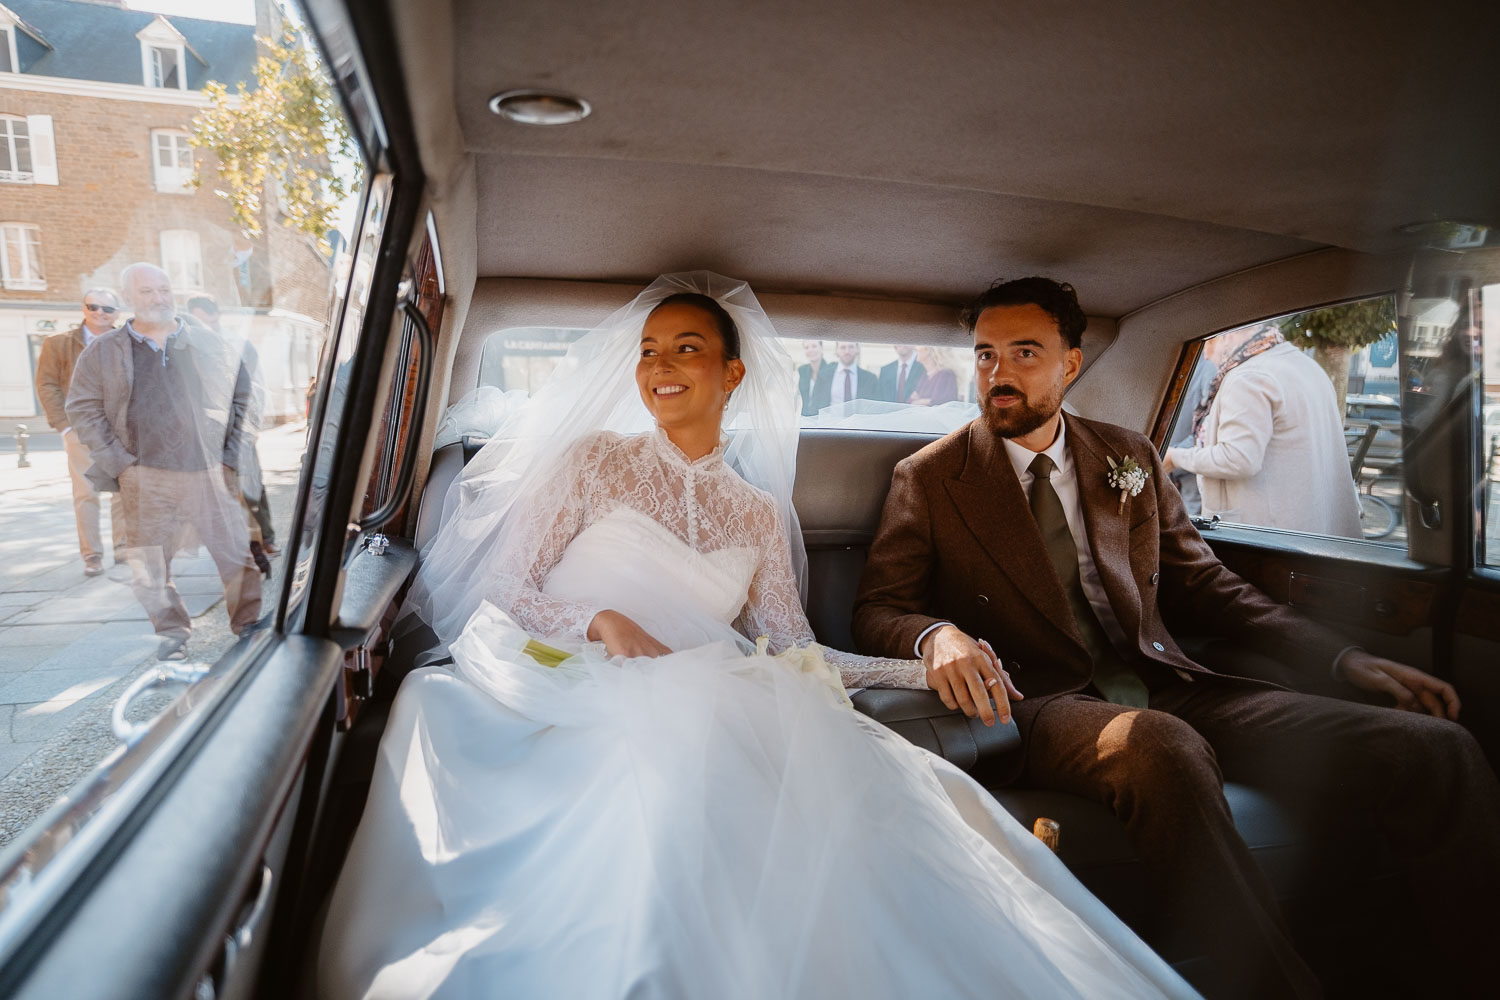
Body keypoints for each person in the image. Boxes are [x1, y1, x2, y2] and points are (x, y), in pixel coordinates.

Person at [318, 273, 1198, 1000]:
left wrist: (927, 656)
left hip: (706, 692)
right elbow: (502, 592)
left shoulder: (758, 512)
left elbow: (789, 647)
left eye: (687, 349)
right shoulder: (592, 461)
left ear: (733, 375)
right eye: (649, 352)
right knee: (659, 782)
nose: (661, 367)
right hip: (553, 679)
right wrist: (602, 623)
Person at [852, 275, 1500, 999]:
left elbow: (1209, 588)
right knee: (1155, 745)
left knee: (1435, 747)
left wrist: (1342, 657)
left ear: (1070, 363)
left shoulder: (1126, 455)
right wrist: (937, 634)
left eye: (1024, 354)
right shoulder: (931, 477)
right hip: (1039, 703)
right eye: (985, 357)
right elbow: (880, 607)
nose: (999, 375)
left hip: (1173, 684)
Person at [66, 263, 263, 660]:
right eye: (146, 292)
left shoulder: (208, 343)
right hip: (143, 475)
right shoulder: (104, 351)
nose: (158, 298)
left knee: (236, 554)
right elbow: (82, 408)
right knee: (150, 564)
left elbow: (246, 398)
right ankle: (171, 634)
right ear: (128, 300)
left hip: (208, 470)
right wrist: (120, 462)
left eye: (163, 289)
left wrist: (228, 456)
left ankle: (250, 627)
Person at [1162, 323, 1360, 537]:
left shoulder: (1249, 378)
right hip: (1315, 529)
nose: (1206, 355)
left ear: (1228, 335)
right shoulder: (1307, 367)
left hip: (1271, 535)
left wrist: (1174, 457)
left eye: (1209, 342)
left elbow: (1237, 458)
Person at [33, 289, 128, 576]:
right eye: (94, 306)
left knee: (124, 492)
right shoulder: (59, 344)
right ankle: (92, 555)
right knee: (86, 493)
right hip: (80, 429)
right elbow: (46, 384)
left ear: (118, 313)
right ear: (84, 308)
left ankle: (123, 550)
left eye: (108, 309)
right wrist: (64, 425)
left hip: (120, 430)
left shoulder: (127, 341)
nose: (101, 312)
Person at [188, 295, 278, 569]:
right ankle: (239, 546)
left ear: (214, 317)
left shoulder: (237, 344)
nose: (199, 325)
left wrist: (252, 427)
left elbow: (255, 388)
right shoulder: (190, 345)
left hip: (240, 427)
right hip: (207, 432)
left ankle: (266, 539)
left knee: (251, 485)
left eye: (202, 318)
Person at [829, 339, 878, 409]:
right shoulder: (823, 377)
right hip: (831, 420)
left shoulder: (870, 379)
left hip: (860, 419)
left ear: (857, 349)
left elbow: (874, 408)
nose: (847, 351)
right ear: (836, 350)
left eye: (851, 347)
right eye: (843, 347)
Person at [795, 339, 832, 416]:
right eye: (806, 347)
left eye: (814, 346)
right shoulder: (802, 371)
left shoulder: (830, 371)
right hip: (804, 419)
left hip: (824, 419)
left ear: (821, 349)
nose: (810, 350)